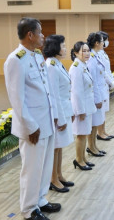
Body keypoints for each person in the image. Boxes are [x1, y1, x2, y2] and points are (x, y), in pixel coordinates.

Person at [4, 17, 61, 220]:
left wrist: (54, 115)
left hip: (46, 122)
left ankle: (40, 200)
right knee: (31, 169)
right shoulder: (15, 60)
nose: (43, 36)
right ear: (30, 35)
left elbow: (47, 90)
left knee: (45, 165)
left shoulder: (37, 57)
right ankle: (29, 209)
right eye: (40, 32)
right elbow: (16, 99)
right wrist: (30, 126)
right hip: (33, 127)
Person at [43, 35, 74, 193]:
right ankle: (52, 179)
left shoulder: (57, 64)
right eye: (63, 45)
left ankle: (59, 175)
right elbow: (53, 95)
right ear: (55, 47)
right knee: (55, 148)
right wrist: (60, 119)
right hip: (58, 113)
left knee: (60, 147)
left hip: (64, 109)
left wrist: (70, 112)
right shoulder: (50, 66)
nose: (65, 48)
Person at [69, 41, 96, 171]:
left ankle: (83, 158)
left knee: (85, 133)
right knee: (80, 134)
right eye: (83, 51)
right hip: (81, 108)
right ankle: (78, 160)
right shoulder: (75, 68)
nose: (87, 53)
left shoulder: (83, 65)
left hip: (87, 106)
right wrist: (80, 111)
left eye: (87, 50)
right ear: (75, 53)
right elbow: (76, 92)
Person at [85, 32, 108, 156]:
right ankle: (91, 147)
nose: (104, 43)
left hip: (100, 92)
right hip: (95, 95)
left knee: (95, 123)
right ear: (96, 43)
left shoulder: (96, 56)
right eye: (102, 41)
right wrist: (97, 99)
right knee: (93, 124)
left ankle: (94, 146)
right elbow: (92, 81)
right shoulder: (91, 58)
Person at [97, 31, 114, 140]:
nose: (107, 42)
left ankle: (103, 131)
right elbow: (103, 72)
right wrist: (111, 82)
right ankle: (100, 133)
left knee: (104, 111)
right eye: (105, 40)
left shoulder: (103, 53)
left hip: (106, 84)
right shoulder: (97, 54)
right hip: (103, 84)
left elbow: (108, 70)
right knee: (101, 112)